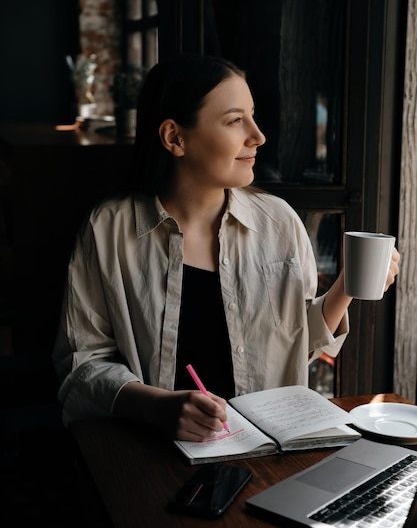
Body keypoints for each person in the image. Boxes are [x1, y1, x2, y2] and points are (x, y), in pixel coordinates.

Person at [53, 54, 400, 442]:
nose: (258, 136)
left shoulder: (279, 222)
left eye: (252, 116)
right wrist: (155, 406)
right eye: (235, 120)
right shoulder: (108, 229)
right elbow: (82, 364)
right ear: (175, 137)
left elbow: (293, 351)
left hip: (264, 449)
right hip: (149, 449)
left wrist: (347, 287)